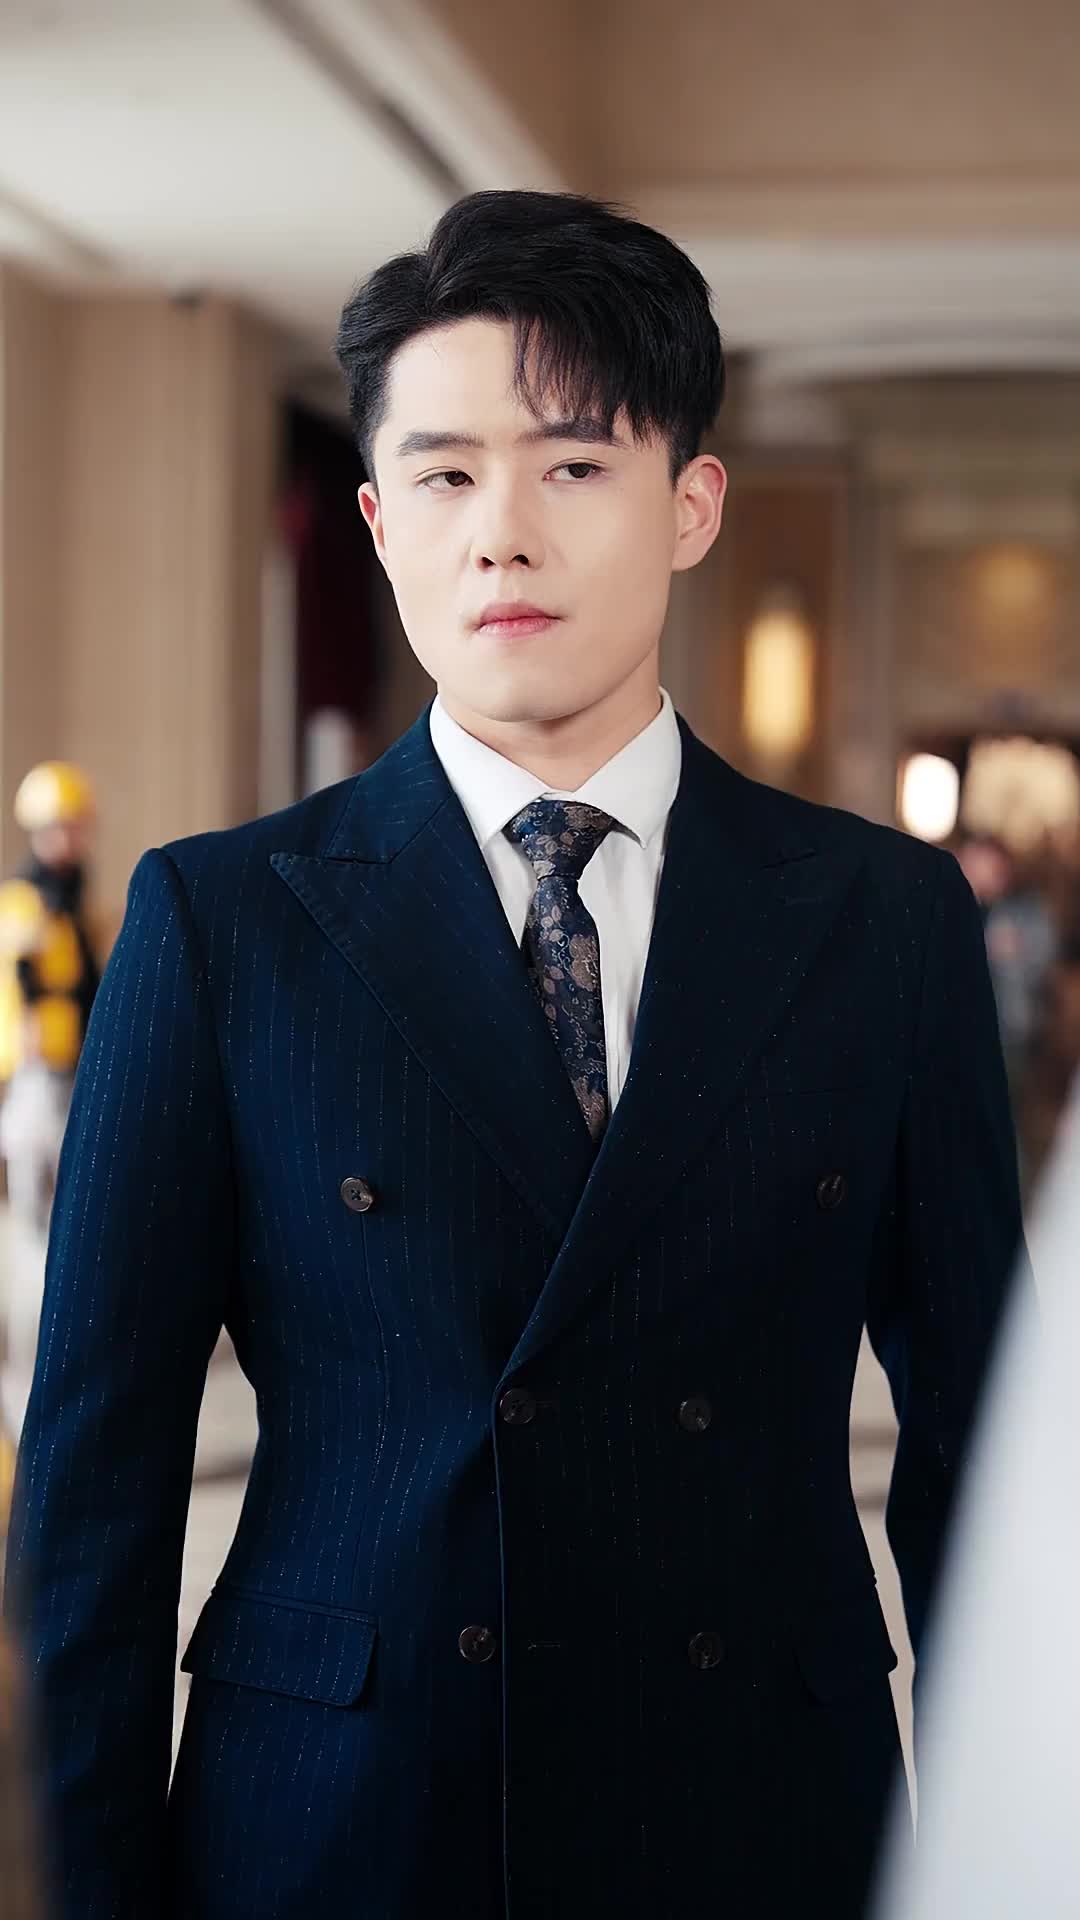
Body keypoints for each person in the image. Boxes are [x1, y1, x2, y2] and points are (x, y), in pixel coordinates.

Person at [5, 191, 1023, 1920]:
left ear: (691, 504)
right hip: (340, 1817)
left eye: (572, 466)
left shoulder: (883, 919)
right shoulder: (221, 923)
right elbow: (94, 1497)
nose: (502, 537)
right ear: (376, 519)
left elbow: (983, 1464)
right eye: (446, 475)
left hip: (761, 1811)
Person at [0, 762, 99, 1236]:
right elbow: (22, 971)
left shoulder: (70, 891)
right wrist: (31, 1036)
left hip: (70, 1049)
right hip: (40, 1056)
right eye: (67, 826)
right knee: (37, 1156)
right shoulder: (27, 895)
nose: (76, 837)